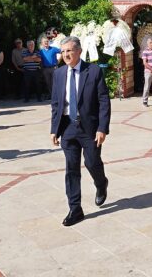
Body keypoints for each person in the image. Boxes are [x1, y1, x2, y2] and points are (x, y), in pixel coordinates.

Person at [50, 37, 111, 227]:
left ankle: (101, 183)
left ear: (79, 51)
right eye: (63, 51)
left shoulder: (93, 71)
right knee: (71, 168)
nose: (66, 55)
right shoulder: (59, 74)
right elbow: (56, 104)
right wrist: (54, 129)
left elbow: (103, 101)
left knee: (92, 162)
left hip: (89, 128)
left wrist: (102, 128)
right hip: (67, 127)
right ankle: (75, 209)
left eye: (69, 50)